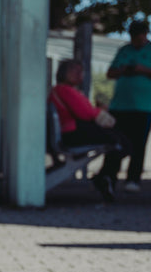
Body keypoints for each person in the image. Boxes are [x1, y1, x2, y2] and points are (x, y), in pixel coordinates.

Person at [106, 21, 151, 193]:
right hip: (120, 105)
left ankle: (133, 179)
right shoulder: (124, 50)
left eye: (138, 36)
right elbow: (110, 73)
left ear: (145, 34)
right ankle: (108, 177)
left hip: (144, 107)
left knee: (138, 144)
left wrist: (144, 70)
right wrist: (123, 70)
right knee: (115, 142)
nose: (135, 40)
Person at [48, 59, 131, 201]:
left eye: (81, 71)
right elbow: (85, 113)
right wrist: (100, 110)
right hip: (73, 133)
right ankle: (104, 177)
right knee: (121, 142)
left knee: (120, 142)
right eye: (74, 70)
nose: (79, 74)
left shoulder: (62, 90)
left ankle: (105, 176)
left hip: (71, 132)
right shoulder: (64, 90)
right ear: (63, 73)